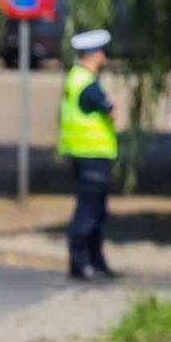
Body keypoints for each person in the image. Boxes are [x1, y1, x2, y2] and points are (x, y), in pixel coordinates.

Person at [59, 29, 120, 281]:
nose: (104, 57)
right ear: (93, 55)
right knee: (89, 212)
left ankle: (94, 261)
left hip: (84, 154)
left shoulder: (76, 78)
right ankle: (81, 262)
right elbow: (111, 111)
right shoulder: (87, 84)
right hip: (91, 155)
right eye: (101, 52)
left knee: (95, 211)